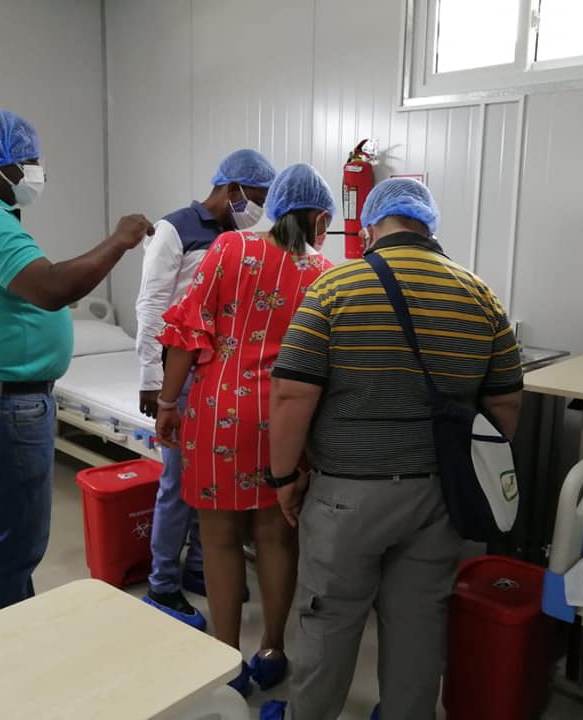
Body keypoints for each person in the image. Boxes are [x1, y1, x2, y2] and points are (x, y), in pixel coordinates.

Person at [261, 178, 523, 719]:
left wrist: (284, 478)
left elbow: (291, 393)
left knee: (329, 620)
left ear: (370, 227)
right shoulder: (479, 294)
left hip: (347, 495)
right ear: (429, 225)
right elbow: (505, 405)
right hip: (439, 497)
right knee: (419, 625)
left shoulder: (336, 287)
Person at [0, 109, 153, 617]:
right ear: (1, 161)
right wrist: (119, 241)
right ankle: (11, 642)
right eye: (29, 161)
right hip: (5, 405)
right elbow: (51, 289)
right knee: (15, 544)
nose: (36, 172)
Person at [154, 163, 335, 696]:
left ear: (274, 206)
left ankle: (227, 660)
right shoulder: (325, 272)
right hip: (288, 421)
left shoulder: (229, 248)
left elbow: (187, 330)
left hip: (220, 415)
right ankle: (272, 649)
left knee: (220, 540)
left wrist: (167, 402)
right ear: (320, 218)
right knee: (278, 538)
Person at [136, 150, 276, 629]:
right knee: (177, 484)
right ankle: (162, 583)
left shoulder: (239, 238)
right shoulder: (175, 228)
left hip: (215, 376)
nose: (258, 209)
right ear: (232, 189)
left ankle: (200, 566)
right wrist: (152, 379)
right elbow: (152, 305)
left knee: (208, 484)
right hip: (178, 372)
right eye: (255, 198)